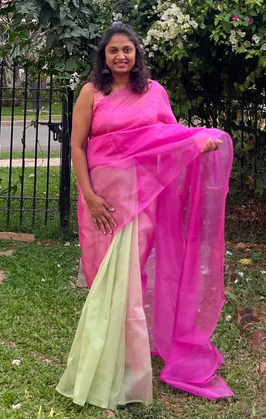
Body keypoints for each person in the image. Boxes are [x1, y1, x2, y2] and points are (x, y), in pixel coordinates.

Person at [56, 22, 233, 410]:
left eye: (127, 50)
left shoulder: (154, 93)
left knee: (129, 282)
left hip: (142, 198)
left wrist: (198, 142)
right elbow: (77, 144)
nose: (121, 56)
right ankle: (103, 364)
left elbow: (172, 138)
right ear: (103, 56)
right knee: (104, 279)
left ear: (137, 54)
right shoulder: (91, 92)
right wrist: (88, 194)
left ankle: (127, 374)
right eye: (113, 50)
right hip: (103, 201)